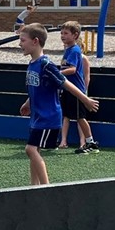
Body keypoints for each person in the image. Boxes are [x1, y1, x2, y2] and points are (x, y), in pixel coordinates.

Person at [17, 23, 99, 185]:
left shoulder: (45, 64)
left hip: (48, 116)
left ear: (35, 41)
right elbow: (37, 88)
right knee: (35, 149)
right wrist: (27, 103)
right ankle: (34, 186)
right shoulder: (33, 64)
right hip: (37, 115)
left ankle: (46, 187)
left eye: (22, 40)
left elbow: (66, 83)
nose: (20, 44)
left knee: (30, 149)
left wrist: (85, 99)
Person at [56, 21, 99, 154]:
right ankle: (65, 140)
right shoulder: (68, 50)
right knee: (67, 115)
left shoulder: (74, 50)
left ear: (75, 35)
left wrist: (57, 73)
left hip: (76, 90)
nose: (63, 36)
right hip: (68, 89)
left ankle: (90, 142)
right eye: (61, 33)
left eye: (66, 33)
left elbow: (72, 69)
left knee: (80, 117)